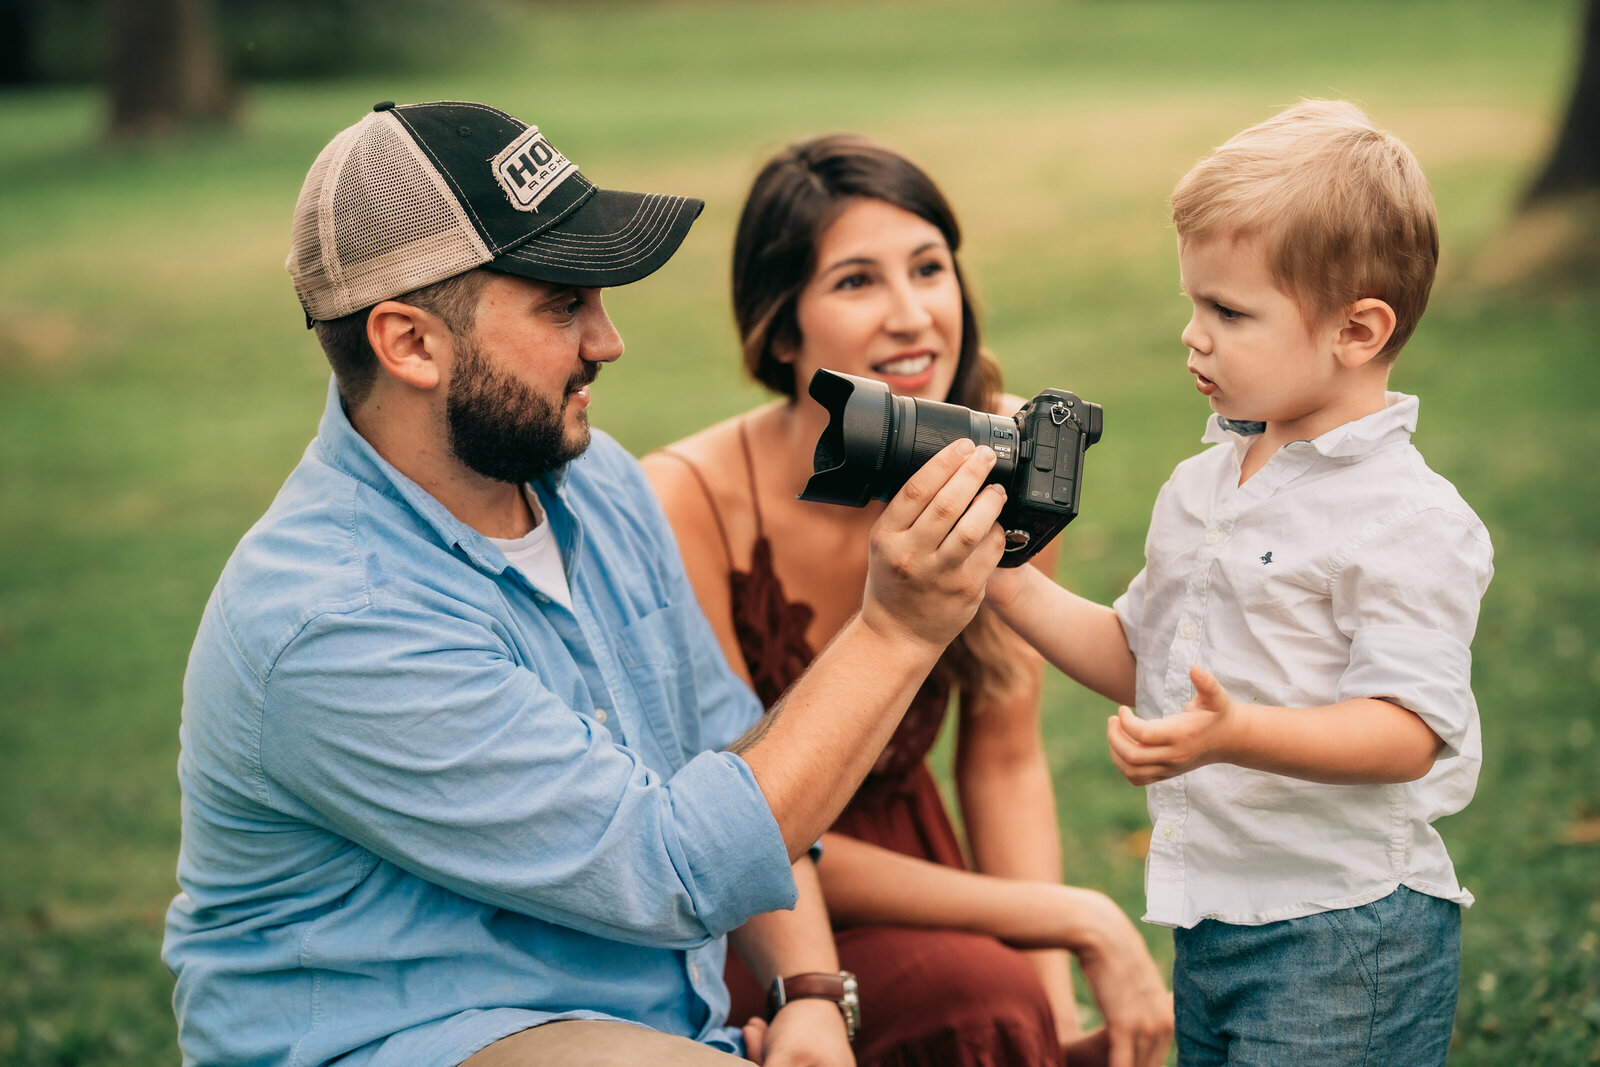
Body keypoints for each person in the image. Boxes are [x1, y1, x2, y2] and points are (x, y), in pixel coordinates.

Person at [161, 100, 1014, 1067]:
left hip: (646, 1014)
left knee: (982, 1006)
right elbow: (675, 866)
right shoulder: (337, 619)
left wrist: (810, 988)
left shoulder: (594, 480)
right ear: (409, 345)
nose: (607, 341)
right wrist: (898, 629)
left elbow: (728, 750)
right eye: (562, 303)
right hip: (420, 1036)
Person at [643, 134, 1173, 1067]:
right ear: (780, 329)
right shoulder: (687, 500)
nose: (913, 315)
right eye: (856, 281)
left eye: (930, 268)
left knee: (1001, 1006)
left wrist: (1047, 1006)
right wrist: (1077, 917)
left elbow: (1003, 764)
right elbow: (735, 825)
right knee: (972, 998)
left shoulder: (1010, 457)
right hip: (748, 906)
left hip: (922, 872)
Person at [985, 100, 1495, 1065]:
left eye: (1228, 311)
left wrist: (1234, 733)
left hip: (1343, 928)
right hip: (1215, 919)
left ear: (1358, 329)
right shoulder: (1205, 484)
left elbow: (1408, 729)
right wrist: (1001, 583)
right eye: (1193, 303)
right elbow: (1140, 652)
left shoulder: (1406, 518)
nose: (1194, 336)